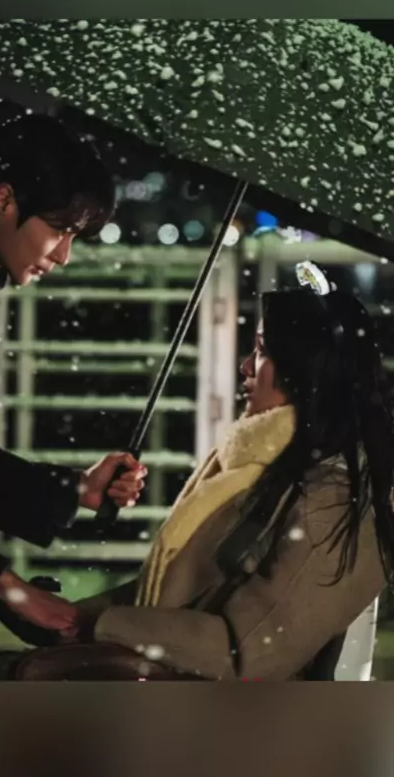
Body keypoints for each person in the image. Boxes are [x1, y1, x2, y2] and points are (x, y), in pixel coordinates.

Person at [26, 281, 394, 681]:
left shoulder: (331, 501)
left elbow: (249, 652)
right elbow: (184, 593)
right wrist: (72, 617)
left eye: (262, 351)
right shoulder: (270, 472)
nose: (246, 367)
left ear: (305, 370)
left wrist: (95, 625)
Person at [0, 113, 146, 680]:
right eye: (60, 229)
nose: (64, 255)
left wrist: (77, 488)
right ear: (4, 200)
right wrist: (7, 586)